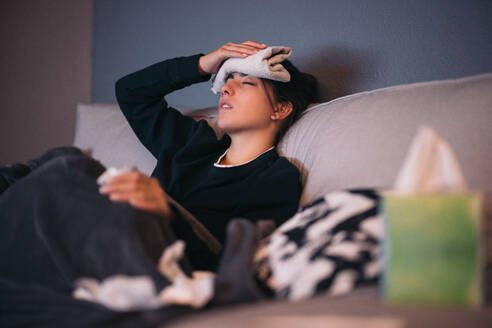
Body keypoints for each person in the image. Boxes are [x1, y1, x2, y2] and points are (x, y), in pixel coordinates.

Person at [0, 40, 318, 272]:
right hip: (104, 228)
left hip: (150, 255)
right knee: (62, 161)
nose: (226, 89)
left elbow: (235, 264)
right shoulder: (193, 145)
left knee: (71, 166)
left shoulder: (277, 178)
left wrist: (167, 212)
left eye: (245, 82)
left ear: (281, 108)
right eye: (226, 80)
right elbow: (131, 91)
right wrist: (204, 63)